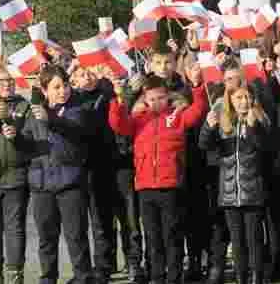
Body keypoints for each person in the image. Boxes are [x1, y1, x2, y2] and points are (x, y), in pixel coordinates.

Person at [109, 65, 207, 284]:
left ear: (168, 96)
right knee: (153, 238)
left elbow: (198, 111)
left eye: (161, 98)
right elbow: (117, 124)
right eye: (151, 99)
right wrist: (119, 99)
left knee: (172, 236)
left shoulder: (177, 116)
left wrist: (197, 85)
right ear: (145, 99)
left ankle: (174, 277)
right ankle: (157, 276)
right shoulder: (138, 119)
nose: (156, 102)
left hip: (170, 186)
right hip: (145, 188)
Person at [21, 65, 94, 284]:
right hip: (42, 185)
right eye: (56, 87)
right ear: (45, 90)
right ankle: (48, 278)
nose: (63, 91)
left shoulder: (77, 109)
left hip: (70, 183)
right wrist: (14, 137)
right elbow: (26, 144)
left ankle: (83, 278)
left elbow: (75, 130)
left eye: (65, 85)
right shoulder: (33, 112)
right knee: (46, 239)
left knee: (76, 237)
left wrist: (50, 119)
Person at [200, 84, 271, 284]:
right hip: (229, 192)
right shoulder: (224, 121)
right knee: (237, 240)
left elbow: (263, 146)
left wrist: (252, 127)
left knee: (254, 239)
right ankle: (241, 278)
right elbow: (204, 145)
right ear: (230, 100)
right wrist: (208, 127)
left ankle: (257, 278)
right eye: (239, 97)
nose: (244, 101)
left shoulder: (260, 118)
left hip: (252, 190)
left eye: (247, 97)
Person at [70, 64, 119, 284]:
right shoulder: (72, 100)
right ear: (74, 80)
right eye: (82, 75)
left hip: (103, 164)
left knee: (101, 220)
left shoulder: (105, 94)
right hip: (79, 167)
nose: (87, 77)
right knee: (77, 224)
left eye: (90, 73)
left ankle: (104, 266)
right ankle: (82, 269)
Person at [0, 65, 32, 284]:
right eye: (2, 80)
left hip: (16, 177)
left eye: (10, 80)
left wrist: (17, 136)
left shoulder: (23, 105)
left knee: (15, 228)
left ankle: (15, 274)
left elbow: (32, 139)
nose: (7, 84)